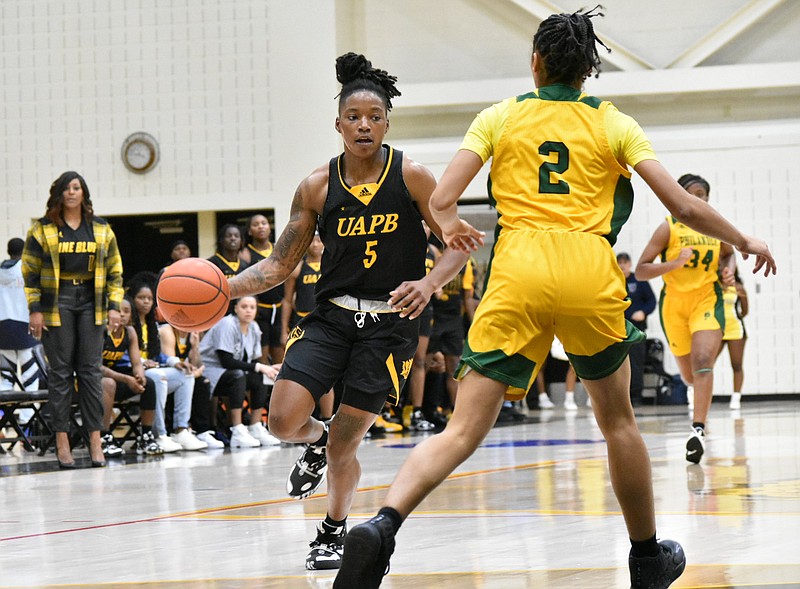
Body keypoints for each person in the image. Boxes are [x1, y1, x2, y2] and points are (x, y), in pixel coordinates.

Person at [333, 10, 776, 589]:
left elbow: (442, 197)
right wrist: (744, 238)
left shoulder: (502, 114)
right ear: (588, 70)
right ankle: (646, 558)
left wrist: (454, 228)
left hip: (517, 267)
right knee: (617, 423)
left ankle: (383, 524)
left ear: (535, 62)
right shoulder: (614, 123)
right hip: (588, 267)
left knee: (463, 429)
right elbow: (683, 207)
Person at [226, 52, 469, 571]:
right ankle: (312, 443)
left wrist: (429, 283)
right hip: (331, 317)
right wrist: (222, 288)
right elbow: (276, 266)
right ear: (337, 124)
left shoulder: (414, 177)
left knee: (347, 444)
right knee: (283, 421)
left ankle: (333, 530)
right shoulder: (316, 185)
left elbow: (457, 243)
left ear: (387, 123)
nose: (364, 125)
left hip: (389, 327)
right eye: (353, 117)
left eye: (374, 117)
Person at [22, 171, 124, 468]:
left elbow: (115, 270)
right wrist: (35, 309)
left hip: (92, 303)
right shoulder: (42, 230)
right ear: (58, 194)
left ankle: (95, 439)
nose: (71, 192)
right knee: (61, 373)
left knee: (91, 372)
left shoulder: (101, 228)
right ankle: (62, 440)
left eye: (76, 187)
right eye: (66, 188)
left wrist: (114, 306)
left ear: (84, 193)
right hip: (57, 302)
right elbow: (29, 272)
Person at [636, 173, 735, 464]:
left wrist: (727, 270)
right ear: (679, 196)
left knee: (703, 361)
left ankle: (697, 429)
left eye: (704, 194)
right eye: (694, 193)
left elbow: (729, 253)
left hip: (707, 299)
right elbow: (641, 270)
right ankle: (697, 399)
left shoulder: (716, 226)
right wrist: (674, 263)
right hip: (675, 306)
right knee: (690, 375)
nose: (700, 199)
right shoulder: (668, 228)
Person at [198, 295, 281, 448]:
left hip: (231, 373)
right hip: (210, 372)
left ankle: (255, 426)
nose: (248, 311)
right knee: (238, 375)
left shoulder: (254, 327)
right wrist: (259, 367)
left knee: (260, 377)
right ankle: (236, 429)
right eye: (244, 307)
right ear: (235, 308)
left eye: (252, 307)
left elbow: (254, 361)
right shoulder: (227, 324)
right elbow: (227, 361)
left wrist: (269, 368)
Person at [127, 280, 191, 453]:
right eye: (141, 298)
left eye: (149, 298)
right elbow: (122, 354)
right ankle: (159, 433)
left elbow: (157, 355)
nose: (146, 302)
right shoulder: (127, 325)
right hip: (134, 372)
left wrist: (174, 361)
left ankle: (181, 429)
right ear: (132, 300)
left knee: (185, 375)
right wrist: (140, 362)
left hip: (153, 369)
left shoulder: (152, 325)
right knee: (158, 377)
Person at [99, 297, 162, 456]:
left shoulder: (130, 332)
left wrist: (139, 376)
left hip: (115, 379)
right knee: (108, 383)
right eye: (118, 311)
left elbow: (136, 364)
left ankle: (146, 437)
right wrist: (127, 379)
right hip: (90, 382)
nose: (122, 315)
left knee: (149, 383)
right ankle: (103, 436)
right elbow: (95, 367)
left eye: (126, 312)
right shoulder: (100, 331)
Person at [241, 214, 287, 364]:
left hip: (278, 308)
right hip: (260, 310)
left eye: (264, 223)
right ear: (249, 231)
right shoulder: (246, 253)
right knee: (262, 355)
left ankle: (277, 387)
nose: (260, 226)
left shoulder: (279, 249)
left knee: (280, 352)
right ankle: (262, 387)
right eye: (255, 224)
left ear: (269, 228)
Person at [0, 238, 42, 392]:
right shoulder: (27, 271)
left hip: (3, 327)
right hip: (24, 325)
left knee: (6, 379)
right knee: (30, 377)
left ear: (8, 252)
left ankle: (4, 416)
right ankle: (27, 417)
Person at [158, 322, 208, 450]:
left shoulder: (193, 332)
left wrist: (195, 346)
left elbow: (195, 364)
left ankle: (197, 431)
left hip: (179, 375)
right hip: (161, 373)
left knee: (203, 382)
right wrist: (193, 372)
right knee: (188, 376)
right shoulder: (167, 331)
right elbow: (171, 363)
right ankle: (168, 431)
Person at [617, 252, 656, 406]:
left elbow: (652, 301)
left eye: (625, 262)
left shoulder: (639, 280)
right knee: (618, 364)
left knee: (636, 362)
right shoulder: (613, 280)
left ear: (630, 264)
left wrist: (643, 312)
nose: (622, 265)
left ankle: (636, 396)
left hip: (636, 328)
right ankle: (620, 397)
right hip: (617, 328)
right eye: (619, 262)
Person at [717, 267, 748, 410]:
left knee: (736, 365)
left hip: (735, 329)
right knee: (706, 363)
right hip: (717, 329)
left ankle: (736, 397)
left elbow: (745, 311)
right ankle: (698, 396)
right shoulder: (714, 286)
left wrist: (734, 318)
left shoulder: (739, 288)